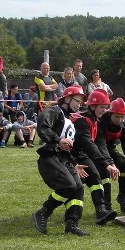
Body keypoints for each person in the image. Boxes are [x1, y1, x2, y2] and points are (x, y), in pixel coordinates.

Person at [31, 88, 90, 237]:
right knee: (68, 186)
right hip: (50, 157)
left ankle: (72, 224)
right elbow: (42, 126)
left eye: (81, 102)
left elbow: (67, 147)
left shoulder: (70, 119)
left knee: (78, 188)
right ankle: (43, 212)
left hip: (64, 159)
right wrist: (58, 140)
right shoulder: (55, 111)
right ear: (67, 98)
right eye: (77, 100)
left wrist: (74, 163)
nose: (79, 105)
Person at [71, 88, 119, 225]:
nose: (105, 111)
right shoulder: (83, 121)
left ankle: (101, 210)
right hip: (72, 156)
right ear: (92, 106)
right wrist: (106, 164)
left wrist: (108, 162)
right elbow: (89, 145)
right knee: (74, 186)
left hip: (81, 155)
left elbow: (99, 145)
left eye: (106, 108)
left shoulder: (93, 121)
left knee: (94, 176)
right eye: (102, 107)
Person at [100, 98, 125, 214]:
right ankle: (106, 205)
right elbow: (100, 145)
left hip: (110, 150)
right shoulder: (101, 121)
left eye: (122, 117)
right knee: (105, 173)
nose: (120, 120)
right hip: (97, 152)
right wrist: (110, 164)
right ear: (110, 113)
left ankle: (122, 197)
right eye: (117, 117)